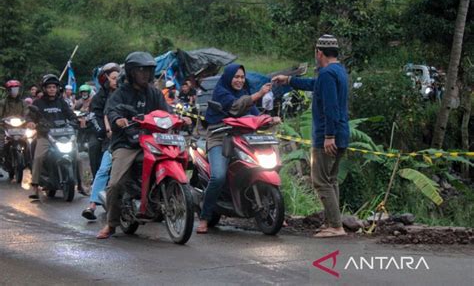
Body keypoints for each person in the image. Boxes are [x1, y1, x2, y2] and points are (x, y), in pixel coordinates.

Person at [96, 51, 191, 239]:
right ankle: (111, 223)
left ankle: (158, 198)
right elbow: (112, 111)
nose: (146, 74)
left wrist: (180, 118)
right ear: (131, 72)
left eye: (148, 70)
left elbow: (167, 111)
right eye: (141, 70)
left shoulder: (154, 93)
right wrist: (118, 120)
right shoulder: (120, 93)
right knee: (115, 183)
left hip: (153, 140)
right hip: (127, 143)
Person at [272, 34, 350, 238]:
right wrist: (289, 80)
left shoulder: (326, 74)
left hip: (328, 134)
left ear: (319, 52)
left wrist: (329, 136)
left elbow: (330, 106)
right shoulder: (338, 71)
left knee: (321, 181)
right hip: (341, 132)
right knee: (331, 180)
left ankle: (335, 226)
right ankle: (332, 222)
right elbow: (313, 85)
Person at [196, 63, 279, 234]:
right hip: (220, 137)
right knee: (218, 176)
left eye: (242, 77)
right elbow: (236, 106)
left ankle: (273, 210)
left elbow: (255, 113)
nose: (240, 80)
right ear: (228, 78)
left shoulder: (244, 92)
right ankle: (205, 216)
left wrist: (269, 119)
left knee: (267, 165)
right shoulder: (221, 92)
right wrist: (259, 93)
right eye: (236, 77)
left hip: (242, 138)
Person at [27, 74, 81, 199]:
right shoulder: (38, 103)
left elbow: (70, 114)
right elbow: (30, 116)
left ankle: (82, 185)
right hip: (45, 136)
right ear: (44, 89)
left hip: (63, 136)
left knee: (77, 158)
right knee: (39, 157)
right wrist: (30, 122)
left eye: (54, 87)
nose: (52, 89)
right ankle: (35, 187)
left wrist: (76, 120)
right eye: (49, 87)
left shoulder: (61, 102)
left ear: (57, 89)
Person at [82, 62, 121, 220]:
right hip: (105, 134)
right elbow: (97, 116)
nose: (116, 80)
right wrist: (104, 131)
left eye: (119, 77)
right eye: (113, 78)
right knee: (102, 165)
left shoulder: (127, 93)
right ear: (105, 79)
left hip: (131, 135)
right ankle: (92, 204)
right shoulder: (100, 97)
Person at [0, 80, 29, 170]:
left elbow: (27, 113)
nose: (15, 91)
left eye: (16, 89)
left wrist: (27, 119)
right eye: (12, 89)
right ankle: (2, 161)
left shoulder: (23, 102)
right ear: (8, 90)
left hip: (21, 127)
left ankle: (29, 161)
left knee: (30, 142)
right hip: (5, 127)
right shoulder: (3, 102)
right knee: (1, 145)